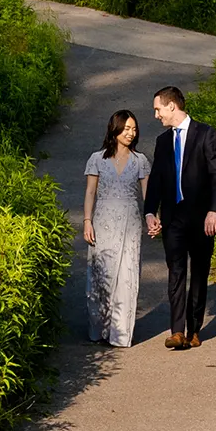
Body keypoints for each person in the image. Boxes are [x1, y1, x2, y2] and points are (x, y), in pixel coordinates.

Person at [144, 86, 216, 351]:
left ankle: (194, 330)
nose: (156, 115)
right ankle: (177, 331)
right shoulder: (162, 142)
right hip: (173, 219)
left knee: (200, 272)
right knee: (176, 272)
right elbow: (156, 179)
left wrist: (213, 210)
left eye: (158, 109)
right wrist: (149, 212)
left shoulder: (206, 134)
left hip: (203, 218)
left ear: (172, 106)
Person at [82, 110, 151, 347]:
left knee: (127, 275)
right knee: (101, 274)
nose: (131, 133)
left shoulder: (140, 161)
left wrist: (153, 218)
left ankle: (120, 334)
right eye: (127, 128)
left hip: (130, 224)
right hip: (102, 222)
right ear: (115, 129)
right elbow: (91, 192)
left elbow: (147, 196)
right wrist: (87, 221)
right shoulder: (97, 159)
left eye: (134, 129)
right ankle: (99, 329)